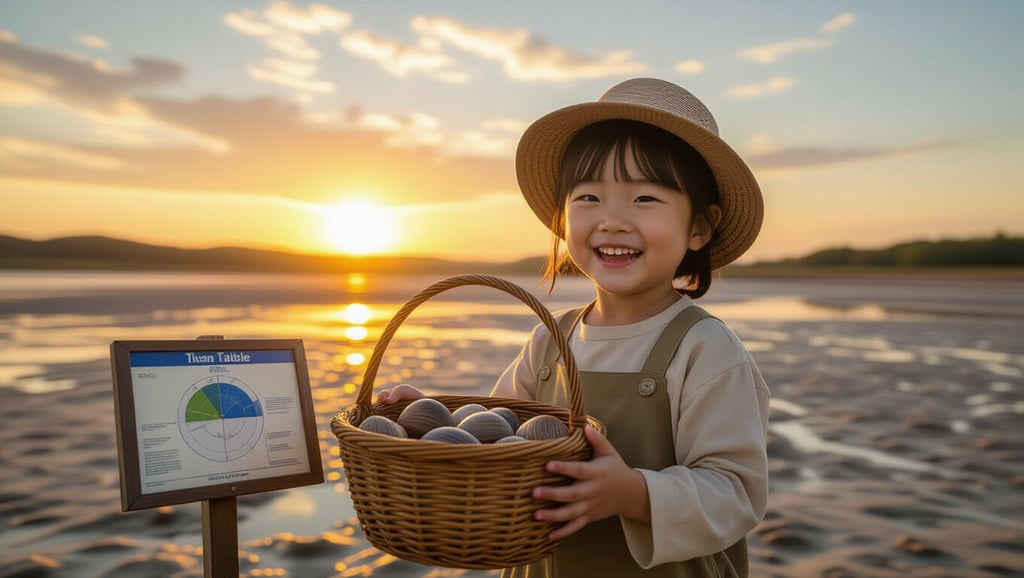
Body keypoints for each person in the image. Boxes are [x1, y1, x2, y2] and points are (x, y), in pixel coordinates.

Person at [379, 77, 770, 578]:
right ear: (562, 219)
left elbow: (736, 493)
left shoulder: (704, 349)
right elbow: (499, 435)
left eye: (644, 199)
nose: (611, 220)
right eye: (588, 197)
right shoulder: (551, 338)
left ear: (700, 226)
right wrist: (431, 417)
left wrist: (634, 493)